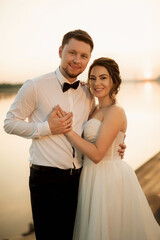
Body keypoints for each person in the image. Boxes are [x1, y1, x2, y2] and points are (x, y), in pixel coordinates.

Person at [3, 30, 125, 240]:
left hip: (81, 178)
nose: (77, 60)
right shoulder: (35, 86)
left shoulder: (88, 92)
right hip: (46, 179)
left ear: (88, 59)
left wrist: (115, 145)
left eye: (84, 56)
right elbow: (9, 124)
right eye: (72, 53)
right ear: (61, 51)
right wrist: (46, 128)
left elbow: (96, 128)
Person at [57, 57, 160, 240]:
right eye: (93, 78)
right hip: (90, 175)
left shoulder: (115, 111)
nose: (97, 83)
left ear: (114, 81)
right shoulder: (94, 109)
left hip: (108, 177)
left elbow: (97, 155)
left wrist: (67, 130)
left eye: (103, 78)